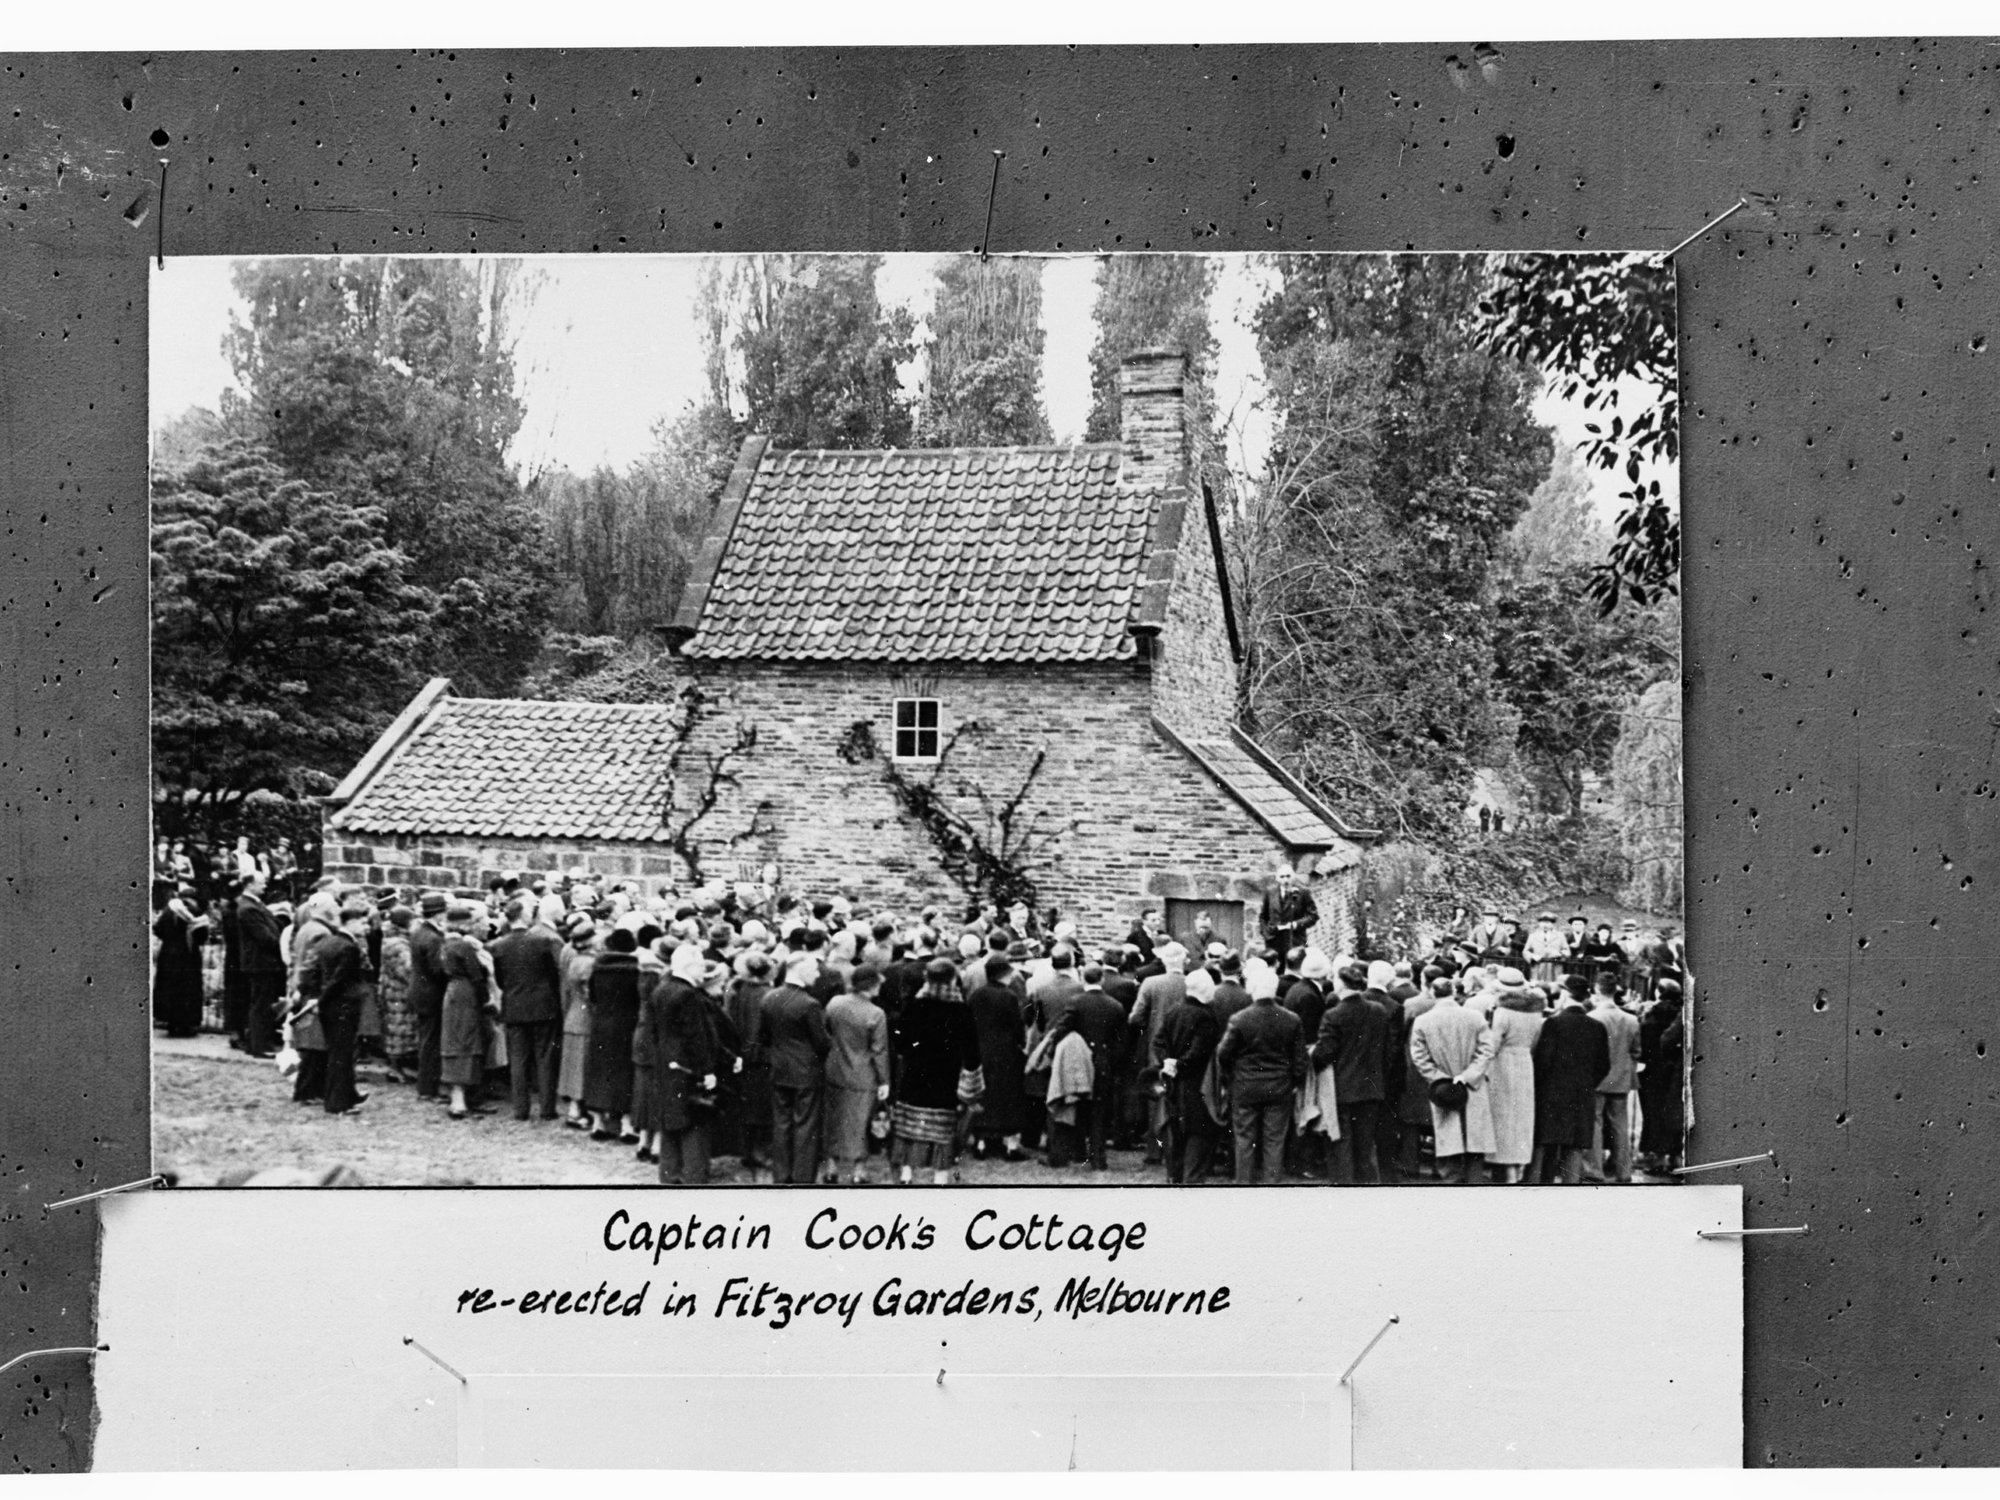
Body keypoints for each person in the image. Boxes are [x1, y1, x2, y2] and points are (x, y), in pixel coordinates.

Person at [889, 959, 983, 1185]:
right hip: (946, 1075)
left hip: (915, 1072)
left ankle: (906, 1173)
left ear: (927, 978)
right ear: (953, 979)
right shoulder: (961, 1010)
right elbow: (972, 1049)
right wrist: (972, 1076)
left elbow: (900, 1041)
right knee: (941, 1130)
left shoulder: (913, 1005)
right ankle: (940, 1176)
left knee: (909, 1126)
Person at [1215, 976, 1307, 1184]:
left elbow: (1223, 1053)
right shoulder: (1291, 1019)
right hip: (1279, 1085)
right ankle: (1271, 1184)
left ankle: (1244, 1183)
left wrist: (1232, 1075)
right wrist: (1295, 1081)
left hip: (1245, 1085)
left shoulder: (1240, 1019)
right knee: (1274, 1140)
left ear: (1253, 989)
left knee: (1244, 1139)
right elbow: (1300, 1058)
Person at [1407, 976, 1496, 1183]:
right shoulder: (1475, 1018)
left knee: (1448, 1139)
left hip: (1443, 1089)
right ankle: (1474, 1185)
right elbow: (1487, 1050)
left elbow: (1418, 1056)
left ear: (1431, 992)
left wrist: (1438, 1078)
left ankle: (1451, 1183)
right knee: (1475, 1140)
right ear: (1454, 992)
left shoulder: (1423, 1021)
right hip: (1473, 1086)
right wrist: (1468, 1076)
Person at [1314, 962, 1393, 1185]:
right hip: (1372, 1087)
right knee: (1365, 1145)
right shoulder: (1379, 1011)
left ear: (1341, 984)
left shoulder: (1333, 1015)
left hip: (1342, 1087)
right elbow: (1387, 1049)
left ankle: (1344, 1186)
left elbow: (1325, 1052)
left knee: (1341, 1143)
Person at [1531, 976, 1612, 1184]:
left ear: (1566, 994)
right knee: (1574, 1148)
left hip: (1552, 1093)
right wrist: (1587, 1083)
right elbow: (1603, 1065)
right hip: (1582, 1092)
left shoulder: (1553, 1024)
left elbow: (1542, 1061)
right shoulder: (1597, 1026)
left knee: (1549, 1145)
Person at [491, 897, 565, 1123]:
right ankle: (547, 1108)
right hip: (543, 1005)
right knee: (545, 1057)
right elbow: (555, 974)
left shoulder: (499, 946)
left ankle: (521, 1109)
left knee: (518, 1058)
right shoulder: (542, 941)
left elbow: (501, 979)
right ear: (524, 915)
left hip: (514, 1005)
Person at [760, 952, 832, 1184]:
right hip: (806, 1072)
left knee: (781, 1124)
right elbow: (822, 1043)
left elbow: (763, 1037)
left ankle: (781, 1175)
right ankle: (803, 1177)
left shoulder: (769, 998)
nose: (818, 974)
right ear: (800, 970)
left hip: (780, 1069)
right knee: (806, 1127)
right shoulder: (809, 1004)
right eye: (813, 969)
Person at [651, 943, 720, 1185]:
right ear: (690, 966)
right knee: (694, 1121)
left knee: (671, 1119)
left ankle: (669, 1173)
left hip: (666, 1061)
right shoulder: (688, 994)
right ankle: (694, 1175)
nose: (704, 972)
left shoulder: (661, 988)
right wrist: (707, 1070)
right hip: (688, 1064)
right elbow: (696, 1036)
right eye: (701, 966)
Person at [1155, 967, 1224, 1183]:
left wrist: (1167, 1061)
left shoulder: (1173, 1011)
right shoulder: (1206, 1016)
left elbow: (1158, 1041)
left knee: (1177, 1129)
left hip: (1174, 1081)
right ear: (1205, 989)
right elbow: (1199, 1051)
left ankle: (1175, 1175)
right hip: (1197, 1082)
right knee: (1198, 1132)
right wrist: (1178, 1064)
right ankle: (1191, 1178)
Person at [824, 963, 891, 1184]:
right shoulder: (876, 1013)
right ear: (871, 985)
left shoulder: (835, 1003)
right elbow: (879, 1050)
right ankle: (858, 1171)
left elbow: (826, 1031)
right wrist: (884, 1081)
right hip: (864, 1073)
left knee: (834, 1120)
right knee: (860, 1122)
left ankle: (831, 1168)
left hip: (834, 1069)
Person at [1060, 963, 1128, 1171]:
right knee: (1100, 1110)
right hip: (1104, 1061)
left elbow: (1063, 1030)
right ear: (1102, 980)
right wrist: (1111, 1059)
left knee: (1080, 1104)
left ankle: (1078, 1150)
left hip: (1079, 1061)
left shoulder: (1075, 1003)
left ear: (1083, 978)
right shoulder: (1115, 1006)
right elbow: (1122, 1041)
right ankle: (1098, 1157)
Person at [964, 957, 1030, 1161]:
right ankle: (1010, 1145)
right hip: (1005, 1052)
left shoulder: (976, 995)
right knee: (1008, 1097)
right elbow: (1017, 1026)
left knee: (983, 1095)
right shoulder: (1009, 996)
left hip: (980, 1049)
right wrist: (1020, 1043)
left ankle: (981, 1142)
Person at [314, 901, 377, 1115]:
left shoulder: (327, 942)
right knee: (342, 1054)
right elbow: (340, 978)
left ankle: (347, 1094)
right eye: (361, 922)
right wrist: (323, 999)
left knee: (339, 1052)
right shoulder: (349, 947)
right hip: (342, 1005)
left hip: (332, 1005)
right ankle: (338, 1102)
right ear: (350, 923)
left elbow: (318, 973)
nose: (364, 927)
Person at [1127, 942, 1188, 1163]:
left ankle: (1155, 1150)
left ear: (1163, 960)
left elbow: (1135, 1017)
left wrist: (1150, 1023)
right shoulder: (1191, 983)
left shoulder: (1150, 983)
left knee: (1156, 1094)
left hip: (1157, 1045)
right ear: (1184, 960)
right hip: (1185, 1047)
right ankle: (1179, 1148)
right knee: (1183, 1095)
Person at [436, 902, 497, 1121]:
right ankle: (463, 1099)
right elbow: (477, 977)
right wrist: (486, 999)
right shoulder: (463, 947)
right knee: (469, 1041)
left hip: (452, 993)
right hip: (467, 993)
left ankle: (457, 1097)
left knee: (454, 1039)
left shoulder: (444, 945)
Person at [1484, 968, 1544, 1184]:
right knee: (1522, 1116)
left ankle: (1505, 1166)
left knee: (1504, 1116)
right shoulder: (1536, 1012)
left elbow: (1494, 1044)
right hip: (1525, 1062)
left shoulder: (1503, 1012)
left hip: (1503, 1064)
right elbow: (1536, 1041)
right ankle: (1519, 1164)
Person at [583, 926, 643, 1141]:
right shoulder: (636, 970)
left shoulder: (598, 969)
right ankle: (626, 1124)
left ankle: (598, 1122)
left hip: (601, 1023)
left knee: (599, 1070)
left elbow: (593, 997)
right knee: (625, 1072)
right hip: (628, 1023)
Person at [1586, 972, 1642, 1182]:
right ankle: (1623, 1171)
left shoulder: (1592, 1017)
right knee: (1620, 1126)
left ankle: (1594, 1170)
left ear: (1597, 990)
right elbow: (1636, 1051)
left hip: (1597, 1079)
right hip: (1621, 1079)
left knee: (1595, 1124)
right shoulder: (1631, 1019)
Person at [1637, 979, 1687, 1172]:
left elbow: (1649, 1043)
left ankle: (1655, 1156)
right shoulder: (1680, 1013)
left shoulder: (1652, 1015)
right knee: (1673, 1112)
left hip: (1652, 1071)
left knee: (1653, 1114)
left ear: (1659, 992)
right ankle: (1675, 1155)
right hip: (1673, 1069)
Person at [236, 871, 286, 1059]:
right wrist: (283, 943)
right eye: (261, 883)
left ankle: (255, 1043)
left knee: (262, 1003)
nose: (265, 886)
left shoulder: (254, 904)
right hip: (261, 963)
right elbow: (265, 937)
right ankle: (259, 1046)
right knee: (261, 1005)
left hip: (264, 963)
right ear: (250, 885)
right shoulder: (248, 907)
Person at [151, 881, 209, 1039]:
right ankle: (186, 1025)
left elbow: (157, 929)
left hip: (169, 955)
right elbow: (202, 936)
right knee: (187, 990)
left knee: (170, 989)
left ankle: (172, 1024)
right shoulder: (196, 912)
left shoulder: (169, 909)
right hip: (188, 956)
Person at [405, 891, 450, 1099]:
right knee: (431, 1042)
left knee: (427, 1039)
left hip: (421, 992)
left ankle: (427, 1086)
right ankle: (428, 1088)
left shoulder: (419, 932)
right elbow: (437, 970)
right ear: (439, 914)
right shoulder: (433, 938)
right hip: (431, 994)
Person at [556, 913, 598, 1129]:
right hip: (585, 1017)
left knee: (573, 1065)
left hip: (573, 1013)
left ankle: (574, 1108)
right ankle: (578, 1110)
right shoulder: (590, 963)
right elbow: (591, 995)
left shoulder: (574, 960)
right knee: (582, 1064)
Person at [376, 907, 417, 1081]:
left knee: (400, 1030)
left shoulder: (396, 941)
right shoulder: (397, 945)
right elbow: (407, 970)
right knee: (398, 1032)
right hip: (398, 993)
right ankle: (394, 1067)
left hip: (395, 991)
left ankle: (398, 1066)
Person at [1258, 866, 1318, 959]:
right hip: (1274, 941)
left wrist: (1296, 924)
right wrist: (1266, 933)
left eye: (1288, 876)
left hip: (1294, 940)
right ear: (1277, 878)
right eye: (1282, 877)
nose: (1285, 880)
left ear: (1293, 877)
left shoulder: (1303, 893)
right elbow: (1263, 916)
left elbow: (1313, 916)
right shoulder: (1270, 892)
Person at [1523, 913, 1566, 987]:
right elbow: (1525, 951)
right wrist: (1532, 956)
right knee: (1537, 991)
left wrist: (1560, 954)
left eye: (1548, 922)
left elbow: (1567, 951)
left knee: (1554, 990)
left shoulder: (1560, 936)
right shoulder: (1533, 936)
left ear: (1553, 924)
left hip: (1554, 970)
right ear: (1539, 923)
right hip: (1538, 969)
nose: (1545, 925)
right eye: (1542, 922)